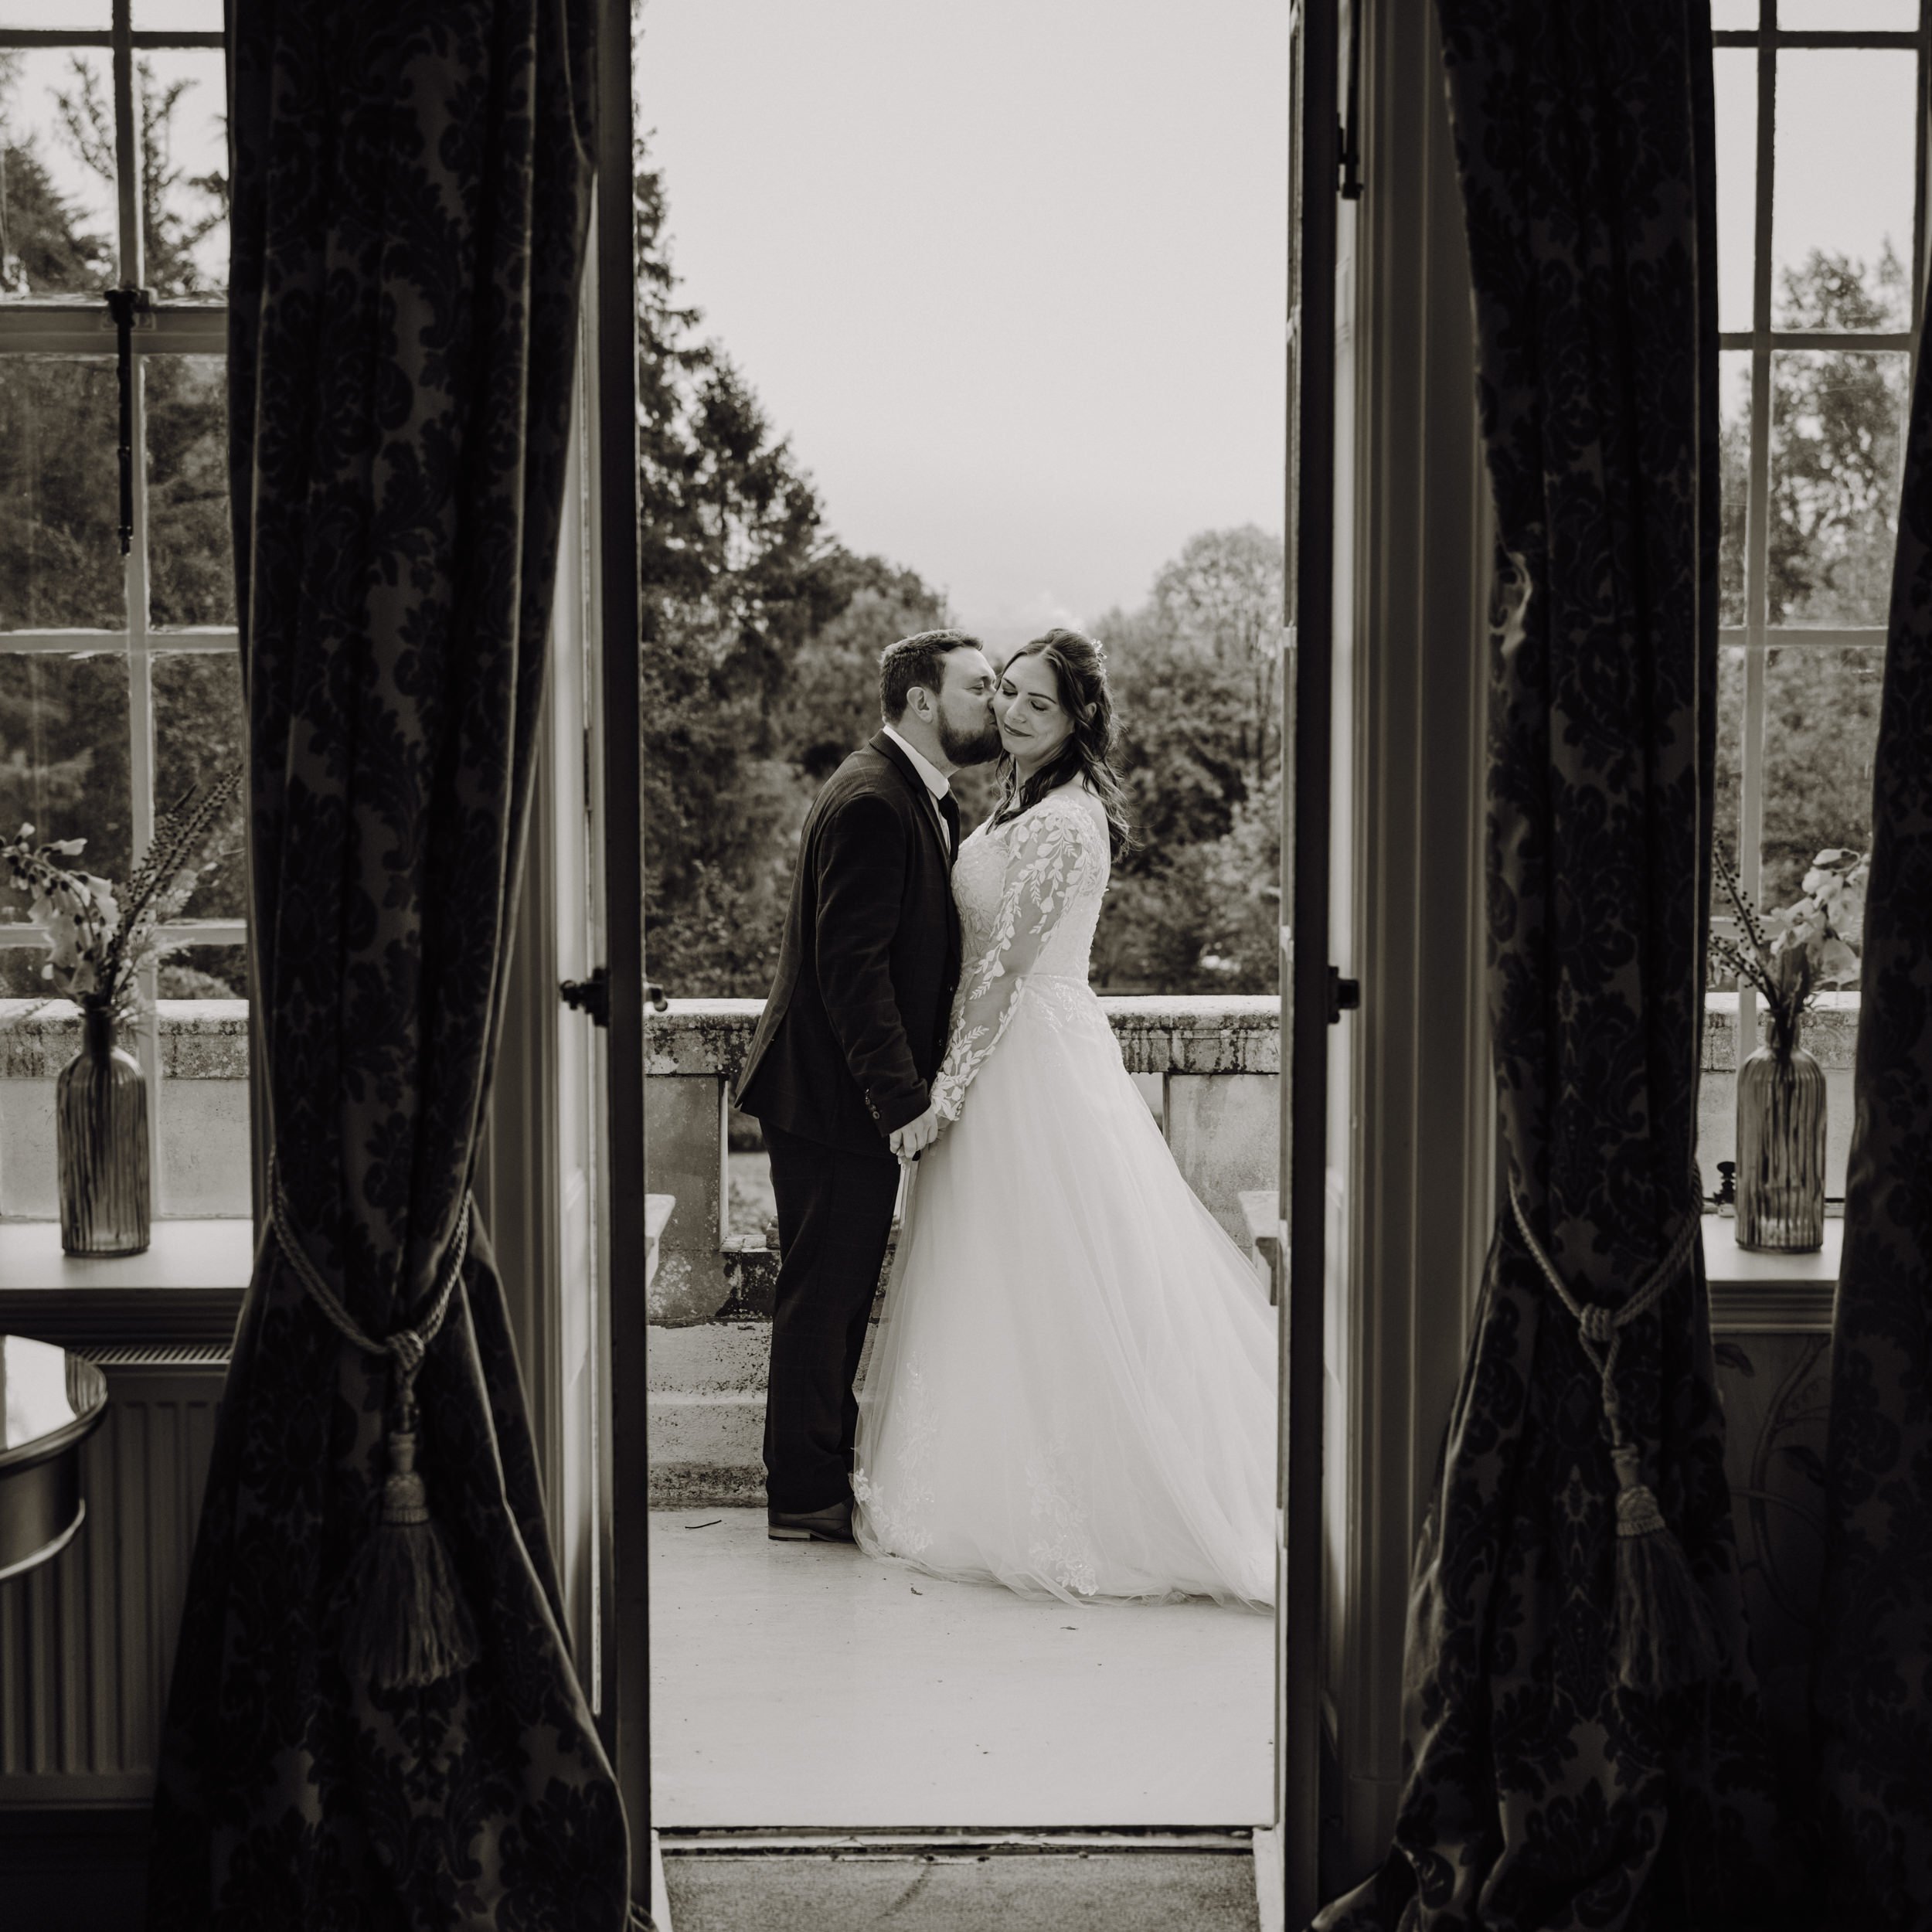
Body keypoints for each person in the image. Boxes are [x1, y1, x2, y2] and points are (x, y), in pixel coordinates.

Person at [852, 628, 1277, 1609]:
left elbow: (1003, 973)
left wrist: (940, 1100)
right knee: (997, 1273)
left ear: (1077, 718)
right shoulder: (1014, 802)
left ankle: (1093, 1495)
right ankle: (992, 1465)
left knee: (1051, 1268)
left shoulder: (1060, 823)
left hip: (1027, 1063)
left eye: (1036, 703)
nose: (1009, 711)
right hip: (1008, 1054)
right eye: (1004, 691)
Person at [736, 629, 1001, 1543]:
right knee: (824, 1294)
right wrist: (903, 1103)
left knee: (840, 1292)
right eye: (979, 687)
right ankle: (804, 1496)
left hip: (840, 1096)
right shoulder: (872, 800)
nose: (996, 703)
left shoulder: (917, 794)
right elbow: (850, 970)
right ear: (923, 701)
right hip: (832, 1099)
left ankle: (820, 1479)